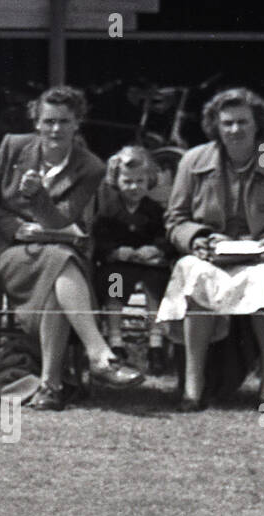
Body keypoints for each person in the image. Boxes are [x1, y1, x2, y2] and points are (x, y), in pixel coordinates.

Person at [0, 85, 143, 411]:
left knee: (59, 266)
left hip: (61, 251)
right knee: (62, 262)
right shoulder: (13, 146)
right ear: (36, 122)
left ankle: (50, 388)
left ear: (77, 123)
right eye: (48, 121)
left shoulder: (90, 167)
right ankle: (99, 354)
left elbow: (60, 220)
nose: (55, 129)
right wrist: (15, 227)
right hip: (14, 251)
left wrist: (37, 195)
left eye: (64, 121)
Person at [159, 87, 264, 411]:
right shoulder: (194, 160)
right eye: (227, 123)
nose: (235, 130)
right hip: (213, 254)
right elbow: (175, 219)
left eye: (243, 122)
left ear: (258, 124)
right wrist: (196, 237)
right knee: (192, 274)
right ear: (215, 125)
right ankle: (193, 387)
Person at [91, 145, 172, 375]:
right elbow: (99, 238)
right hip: (119, 265)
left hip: (148, 266)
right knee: (114, 284)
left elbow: (165, 236)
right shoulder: (108, 209)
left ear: (149, 182)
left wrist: (155, 249)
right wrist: (115, 252)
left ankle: (155, 344)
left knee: (156, 286)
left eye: (140, 182)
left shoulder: (154, 210)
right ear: (117, 181)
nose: (134, 187)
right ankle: (116, 340)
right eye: (127, 181)